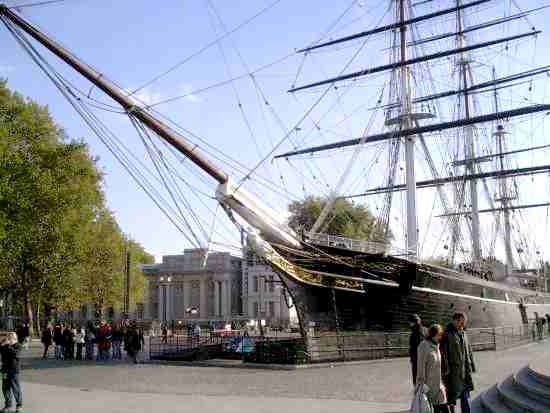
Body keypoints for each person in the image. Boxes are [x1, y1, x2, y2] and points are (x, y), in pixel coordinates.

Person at [441, 312, 476, 413]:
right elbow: (444, 354)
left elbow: (469, 350)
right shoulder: (447, 334)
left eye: (464, 323)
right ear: (455, 320)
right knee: (452, 398)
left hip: (465, 372)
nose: (463, 325)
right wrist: (445, 371)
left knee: (466, 396)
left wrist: (472, 365)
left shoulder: (463, 333)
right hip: (453, 373)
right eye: (461, 322)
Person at [416, 324, 449, 413]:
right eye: (440, 334)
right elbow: (420, 366)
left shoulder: (436, 346)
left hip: (439, 386)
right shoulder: (423, 346)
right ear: (434, 334)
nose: (441, 337)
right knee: (435, 410)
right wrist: (421, 384)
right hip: (428, 387)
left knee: (445, 409)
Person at [0, 332, 23, 412]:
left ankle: (19, 405)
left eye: (10, 338)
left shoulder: (18, 345)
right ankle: (8, 405)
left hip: (14, 370)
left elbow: (16, 355)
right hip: (5, 370)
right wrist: (2, 344)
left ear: (14, 338)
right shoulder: (5, 346)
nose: (8, 339)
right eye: (8, 337)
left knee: (15, 388)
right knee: (5, 388)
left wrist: (9, 346)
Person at [409, 314, 426, 387]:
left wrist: (413, 358)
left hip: (418, 360)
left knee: (418, 380)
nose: (410, 324)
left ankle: (419, 395)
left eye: (411, 322)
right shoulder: (424, 330)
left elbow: (416, 347)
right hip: (421, 359)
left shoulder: (416, 333)